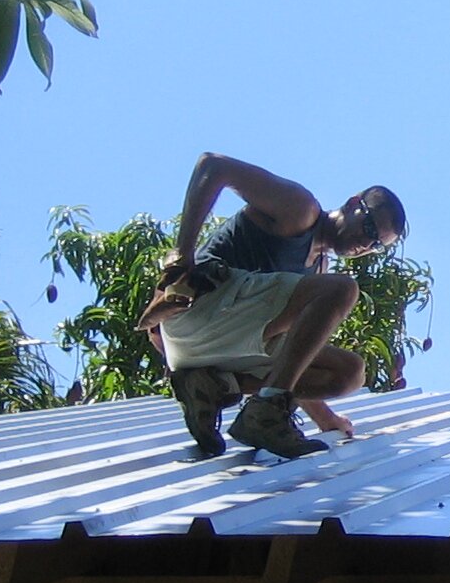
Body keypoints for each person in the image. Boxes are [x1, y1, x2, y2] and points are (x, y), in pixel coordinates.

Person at [136, 153, 406, 458]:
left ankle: (214, 386)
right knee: (343, 289)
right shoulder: (301, 210)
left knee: (348, 373)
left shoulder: (317, 269)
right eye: (369, 228)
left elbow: (292, 360)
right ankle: (265, 410)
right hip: (197, 308)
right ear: (354, 204)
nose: (366, 244)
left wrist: (326, 420)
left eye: (377, 245)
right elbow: (213, 166)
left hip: (208, 350)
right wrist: (183, 252)